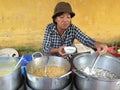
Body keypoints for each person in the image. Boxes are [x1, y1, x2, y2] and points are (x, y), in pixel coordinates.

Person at [42, 2, 108, 58]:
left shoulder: (73, 29)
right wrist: (57, 50)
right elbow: (45, 48)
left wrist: (97, 44)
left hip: (68, 57)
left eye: (68, 17)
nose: (65, 20)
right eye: (61, 17)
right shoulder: (50, 28)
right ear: (55, 19)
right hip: (53, 58)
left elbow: (85, 39)